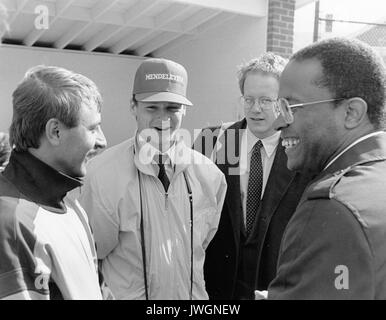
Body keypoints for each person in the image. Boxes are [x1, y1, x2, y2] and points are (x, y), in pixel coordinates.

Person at [79, 58, 227, 300]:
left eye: (172, 108)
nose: (163, 118)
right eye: (152, 107)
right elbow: (92, 256)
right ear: (133, 107)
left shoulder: (210, 176)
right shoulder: (101, 174)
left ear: (185, 110)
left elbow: (203, 245)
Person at [268, 37, 386, 299]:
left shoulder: (333, 207)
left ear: (351, 113)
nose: (277, 122)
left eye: (290, 107)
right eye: (279, 107)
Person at [193, 52, 312, 300]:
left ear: (283, 102)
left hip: (276, 288)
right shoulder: (211, 140)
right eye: (249, 99)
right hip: (216, 290)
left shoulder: (304, 150)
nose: (255, 109)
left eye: (266, 101)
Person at [0, 65, 107, 299]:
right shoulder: (10, 222)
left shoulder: (70, 204)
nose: (102, 141)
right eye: (92, 129)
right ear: (55, 132)